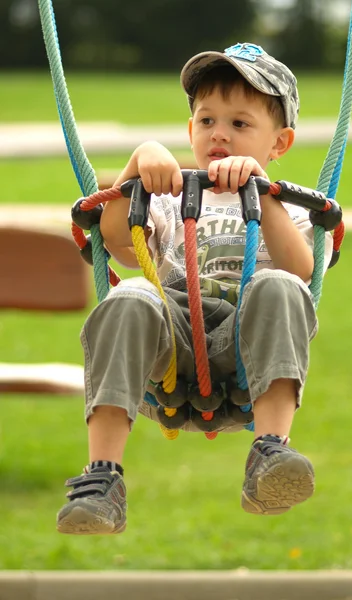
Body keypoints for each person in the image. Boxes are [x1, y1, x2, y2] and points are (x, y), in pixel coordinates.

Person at [56, 42, 333, 535]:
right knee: (131, 294)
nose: (219, 134)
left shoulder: (291, 211)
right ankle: (102, 478)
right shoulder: (170, 201)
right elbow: (117, 240)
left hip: (247, 356)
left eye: (240, 124)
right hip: (172, 355)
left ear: (280, 143)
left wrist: (262, 192)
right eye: (206, 121)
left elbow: (301, 271)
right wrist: (138, 164)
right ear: (190, 130)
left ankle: (270, 453)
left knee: (276, 284)